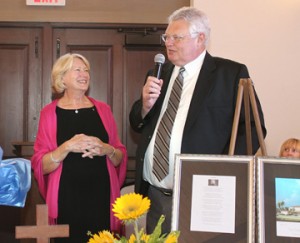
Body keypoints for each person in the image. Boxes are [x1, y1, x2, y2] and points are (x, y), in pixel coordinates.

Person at [129, 6, 267, 234]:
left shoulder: (230, 74)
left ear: (200, 38)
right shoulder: (158, 73)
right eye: (167, 37)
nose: (168, 43)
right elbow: (137, 123)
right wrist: (144, 106)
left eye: (177, 37)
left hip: (204, 196)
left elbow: (253, 128)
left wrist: (222, 173)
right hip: (156, 196)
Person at [31, 53, 128, 243]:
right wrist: (66, 147)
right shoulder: (49, 113)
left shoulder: (103, 110)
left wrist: (106, 149)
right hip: (66, 197)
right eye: (77, 70)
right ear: (62, 77)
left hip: (102, 196)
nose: (84, 74)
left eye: (86, 70)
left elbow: (119, 156)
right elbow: (40, 164)